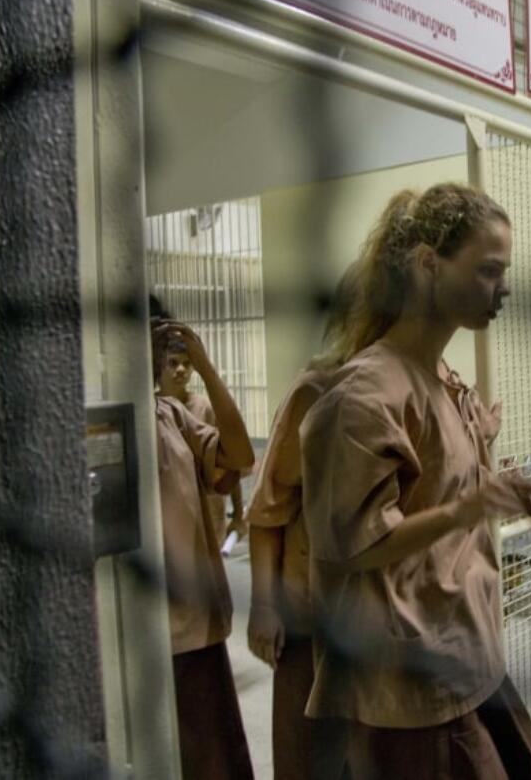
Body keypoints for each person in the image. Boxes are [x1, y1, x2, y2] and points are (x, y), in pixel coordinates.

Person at [298, 184, 531, 779]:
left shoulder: (436, 374)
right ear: (427, 265)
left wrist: (480, 455)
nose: (503, 287)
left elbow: (430, 487)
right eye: (488, 269)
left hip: (469, 653)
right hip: (414, 682)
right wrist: (470, 506)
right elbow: (354, 544)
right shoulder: (365, 394)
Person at [245, 267, 359, 780]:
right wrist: (264, 605)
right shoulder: (314, 391)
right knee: (308, 755)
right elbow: (267, 511)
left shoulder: (401, 385)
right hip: (309, 613)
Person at [151, 315, 257, 779]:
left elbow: (239, 459)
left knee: (212, 748)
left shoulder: (177, 414)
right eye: (167, 358)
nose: (179, 369)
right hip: (156, 620)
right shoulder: (141, 419)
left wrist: (210, 370)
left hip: (195, 610)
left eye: (183, 361)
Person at [157, 342, 247, 549]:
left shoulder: (205, 407)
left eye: (187, 364)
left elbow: (231, 465)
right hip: (171, 507)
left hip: (209, 505)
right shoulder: (153, 409)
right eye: (173, 363)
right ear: (159, 366)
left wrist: (239, 515)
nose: (181, 369)